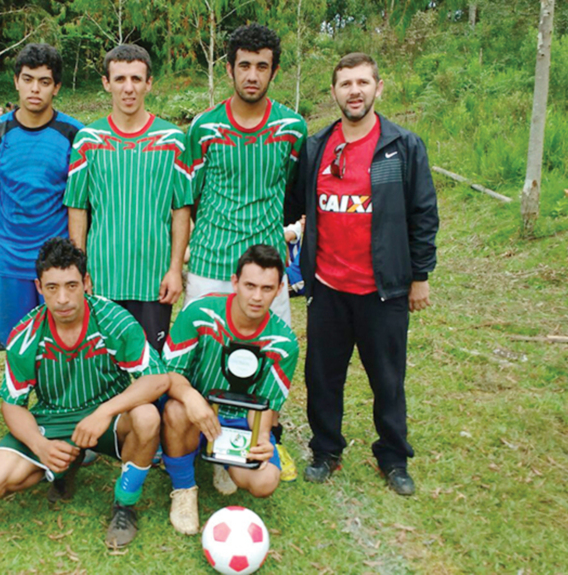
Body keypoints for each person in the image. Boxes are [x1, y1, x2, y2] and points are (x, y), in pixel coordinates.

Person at [284, 53, 439, 495]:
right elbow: (294, 201)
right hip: (328, 287)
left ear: (378, 87)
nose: (355, 91)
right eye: (345, 84)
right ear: (333, 92)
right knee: (322, 376)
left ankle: (393, 457)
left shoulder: (401, 146)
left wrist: (419, 274)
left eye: (362, 83)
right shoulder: (315, 148)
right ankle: (326, 451)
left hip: (382, 290)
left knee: (387, 379)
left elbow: (423, 214)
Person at [0, 238, 168, 548]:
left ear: (86, 282)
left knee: (147, 416)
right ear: (39, 287)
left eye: (71, 285)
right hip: (54, 418)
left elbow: (157, 381)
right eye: (52, 288)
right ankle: (65, 464)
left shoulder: (112, 320)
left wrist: (103, 413)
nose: (63, 298)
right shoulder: (26, 335)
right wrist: (40, 445)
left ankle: (124, 505)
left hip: (110, 416)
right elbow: (12, 405)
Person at [161, 244, 299, 535]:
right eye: (249, 285)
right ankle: (184, 488)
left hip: (240, 420)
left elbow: (267, 406)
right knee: (175, 409)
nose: (257, 296)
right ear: (235, 282)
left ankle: (223, 459)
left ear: (279, 289)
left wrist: (261, 440)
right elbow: (169, 375)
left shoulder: (283, 343)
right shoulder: (200, 312)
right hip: (196, 411)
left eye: (267, 288)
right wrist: (191, 397)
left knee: (264, 482)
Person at [64, 44, 193, 352]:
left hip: (153, 279)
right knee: (104, 366)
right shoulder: (88, 141)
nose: (128, 88)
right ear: (106, 83)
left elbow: (181, 210)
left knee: (149, 367)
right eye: (120, 79)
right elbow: (78, 209)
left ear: (149, 83)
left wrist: (175, 269)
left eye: (136, 79)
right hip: (102, 277)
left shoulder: (172, 140)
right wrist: (80, 270)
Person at [185, 24, 307, 328]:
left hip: (268, 268)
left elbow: (290, 190)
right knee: (203, 362)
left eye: (262, 66)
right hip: (209, 264)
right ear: (229, 69)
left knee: (269, 358)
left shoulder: (292, 129)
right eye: (244, 66)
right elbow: (190, 198)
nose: (252, 76)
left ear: (274, 71)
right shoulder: (204, 128)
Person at [0, 43, 84, 350]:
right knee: (16, 347)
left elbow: (82, 204)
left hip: (58, 261)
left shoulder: (75, 135)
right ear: (16, 81)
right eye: (28, 79)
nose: (35, 89)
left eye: (44, 81)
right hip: (10, 258)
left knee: (62, 345)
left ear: (57, 87)